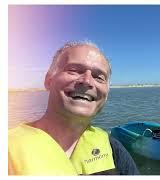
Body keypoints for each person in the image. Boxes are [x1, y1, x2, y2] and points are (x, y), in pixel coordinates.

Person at [8, 41, 139, 175]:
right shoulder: (9, 148)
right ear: (48, 80)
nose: (87, 81)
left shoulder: (114, 150)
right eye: (74, 70)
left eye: (99, 77)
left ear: (107, 92)